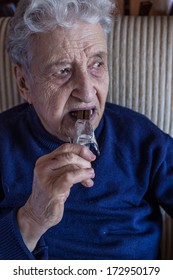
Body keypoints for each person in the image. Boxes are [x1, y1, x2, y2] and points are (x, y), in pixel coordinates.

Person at [0, 0, 173, 260]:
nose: (87, 90)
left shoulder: (141, 140)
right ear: (24, 83)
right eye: (63, 70)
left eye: (96, 65)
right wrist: (32, 219)